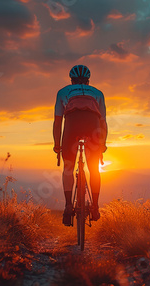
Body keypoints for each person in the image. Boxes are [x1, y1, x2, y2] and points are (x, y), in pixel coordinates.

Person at [53, 65, 108, 226]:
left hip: (72, 127)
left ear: (71, 80)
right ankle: (96, 207)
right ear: (88, 81)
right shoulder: (98, 93)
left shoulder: (63, 92)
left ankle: (68, 206)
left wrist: (58, 145)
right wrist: (102, 144)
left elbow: (58, 122)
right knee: (94, 169)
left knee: (68, 168)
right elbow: (103, 122)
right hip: (93, 129)